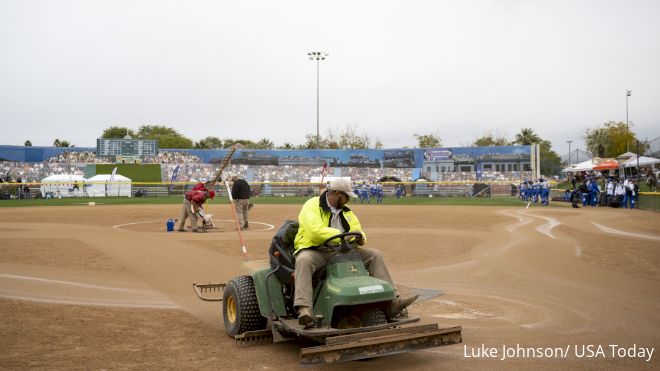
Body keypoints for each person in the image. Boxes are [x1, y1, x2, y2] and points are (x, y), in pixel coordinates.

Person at [293, 178, 418, 327]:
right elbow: (315, 232)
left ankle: (393, 301)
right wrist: (342, 235)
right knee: (304, 260)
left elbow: (358, 230)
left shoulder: (346, 212)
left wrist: (360, 238)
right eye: (346, 196)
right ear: (337, 193)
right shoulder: (312, 205)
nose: (348, 200)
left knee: (374, 254)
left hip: (344, 249)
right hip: (317, 250)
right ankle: (305, 309)